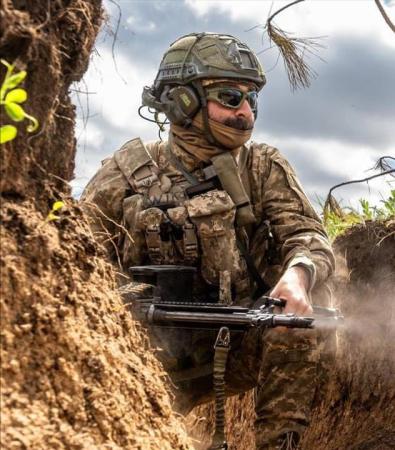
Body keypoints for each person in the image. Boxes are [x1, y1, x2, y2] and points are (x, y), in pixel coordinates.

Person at [80, 32, 335, 450]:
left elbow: (307, 235)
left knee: (299, 324)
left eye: (252, 98)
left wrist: (297, 275)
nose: (246, 112)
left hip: (237, 345)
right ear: (183, 101)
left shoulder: (262, 165)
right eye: (230, 97)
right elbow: (75, 255)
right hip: (138, 357)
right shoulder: (126, 172)